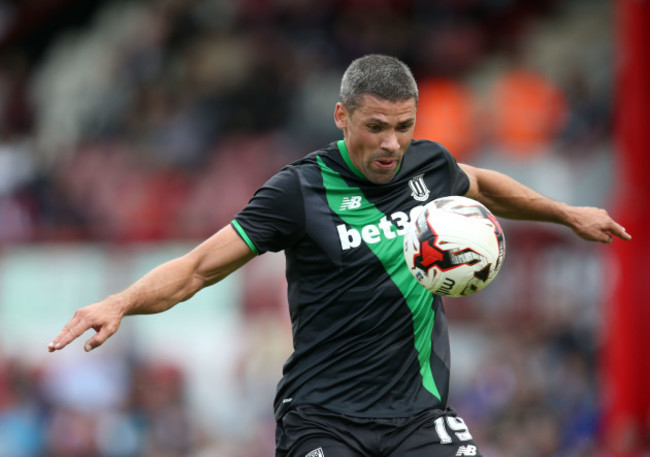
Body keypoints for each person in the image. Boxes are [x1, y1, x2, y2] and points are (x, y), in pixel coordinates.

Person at [48, 54, 630, 457]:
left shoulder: (429, 166)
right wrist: (122, 301)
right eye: (376, 127)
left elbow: (483, 184)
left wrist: (566, 213)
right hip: (321, 418)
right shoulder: (298, 191)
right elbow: (200, 267)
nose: (392, 144)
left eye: (404, 127)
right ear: (342, 116)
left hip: (418, 415)